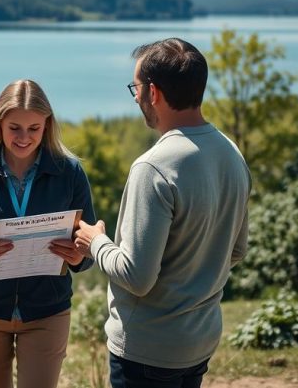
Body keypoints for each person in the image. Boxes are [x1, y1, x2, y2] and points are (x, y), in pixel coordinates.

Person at [74, 38, 250, 388]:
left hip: (146, 351)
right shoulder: (231, 153)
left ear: (152, 92)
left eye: (135, 88)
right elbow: (238, 250)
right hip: (199, 341)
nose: (136, 97)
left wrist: (96, 242)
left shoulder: (154, 167)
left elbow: (137, 277)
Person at [0, 79, 96, 388]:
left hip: (47, 312)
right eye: (14, 127)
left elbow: (89, 246)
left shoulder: (70, 173)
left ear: (47, 126)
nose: (23, 137)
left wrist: (78, 257)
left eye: (34, 128)